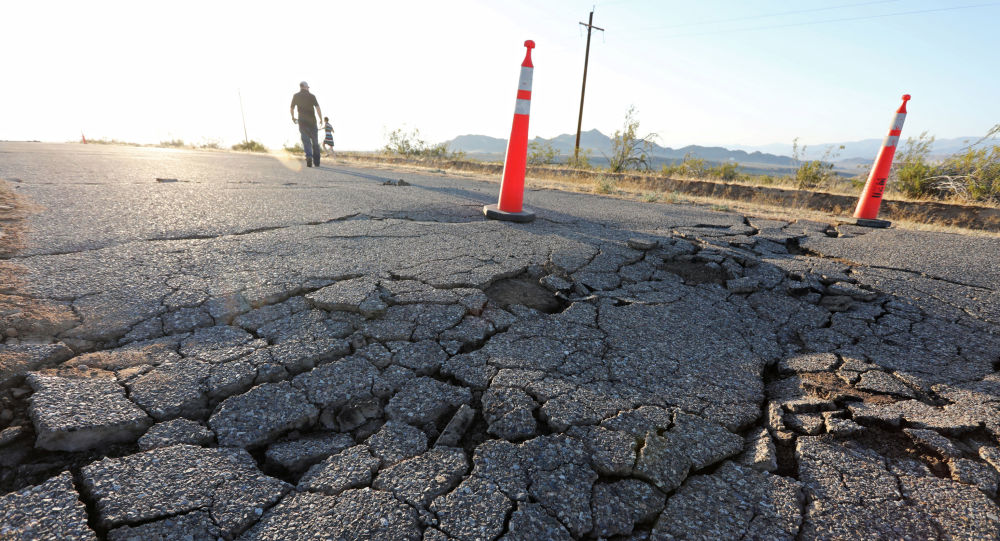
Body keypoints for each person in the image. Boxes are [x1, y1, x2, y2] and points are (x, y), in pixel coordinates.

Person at [290, 81, 323, 167]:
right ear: (305, 87)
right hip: (312, 122)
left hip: (302, 122)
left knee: (306, 141)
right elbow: (317, 108)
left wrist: (293, 117)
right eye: (308, 87)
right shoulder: (312, 96)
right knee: (315, 142)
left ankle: (308, 156)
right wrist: (321, 119)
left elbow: (292, 108)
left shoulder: (296, 96)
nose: (308, 88)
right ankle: (317, 162)